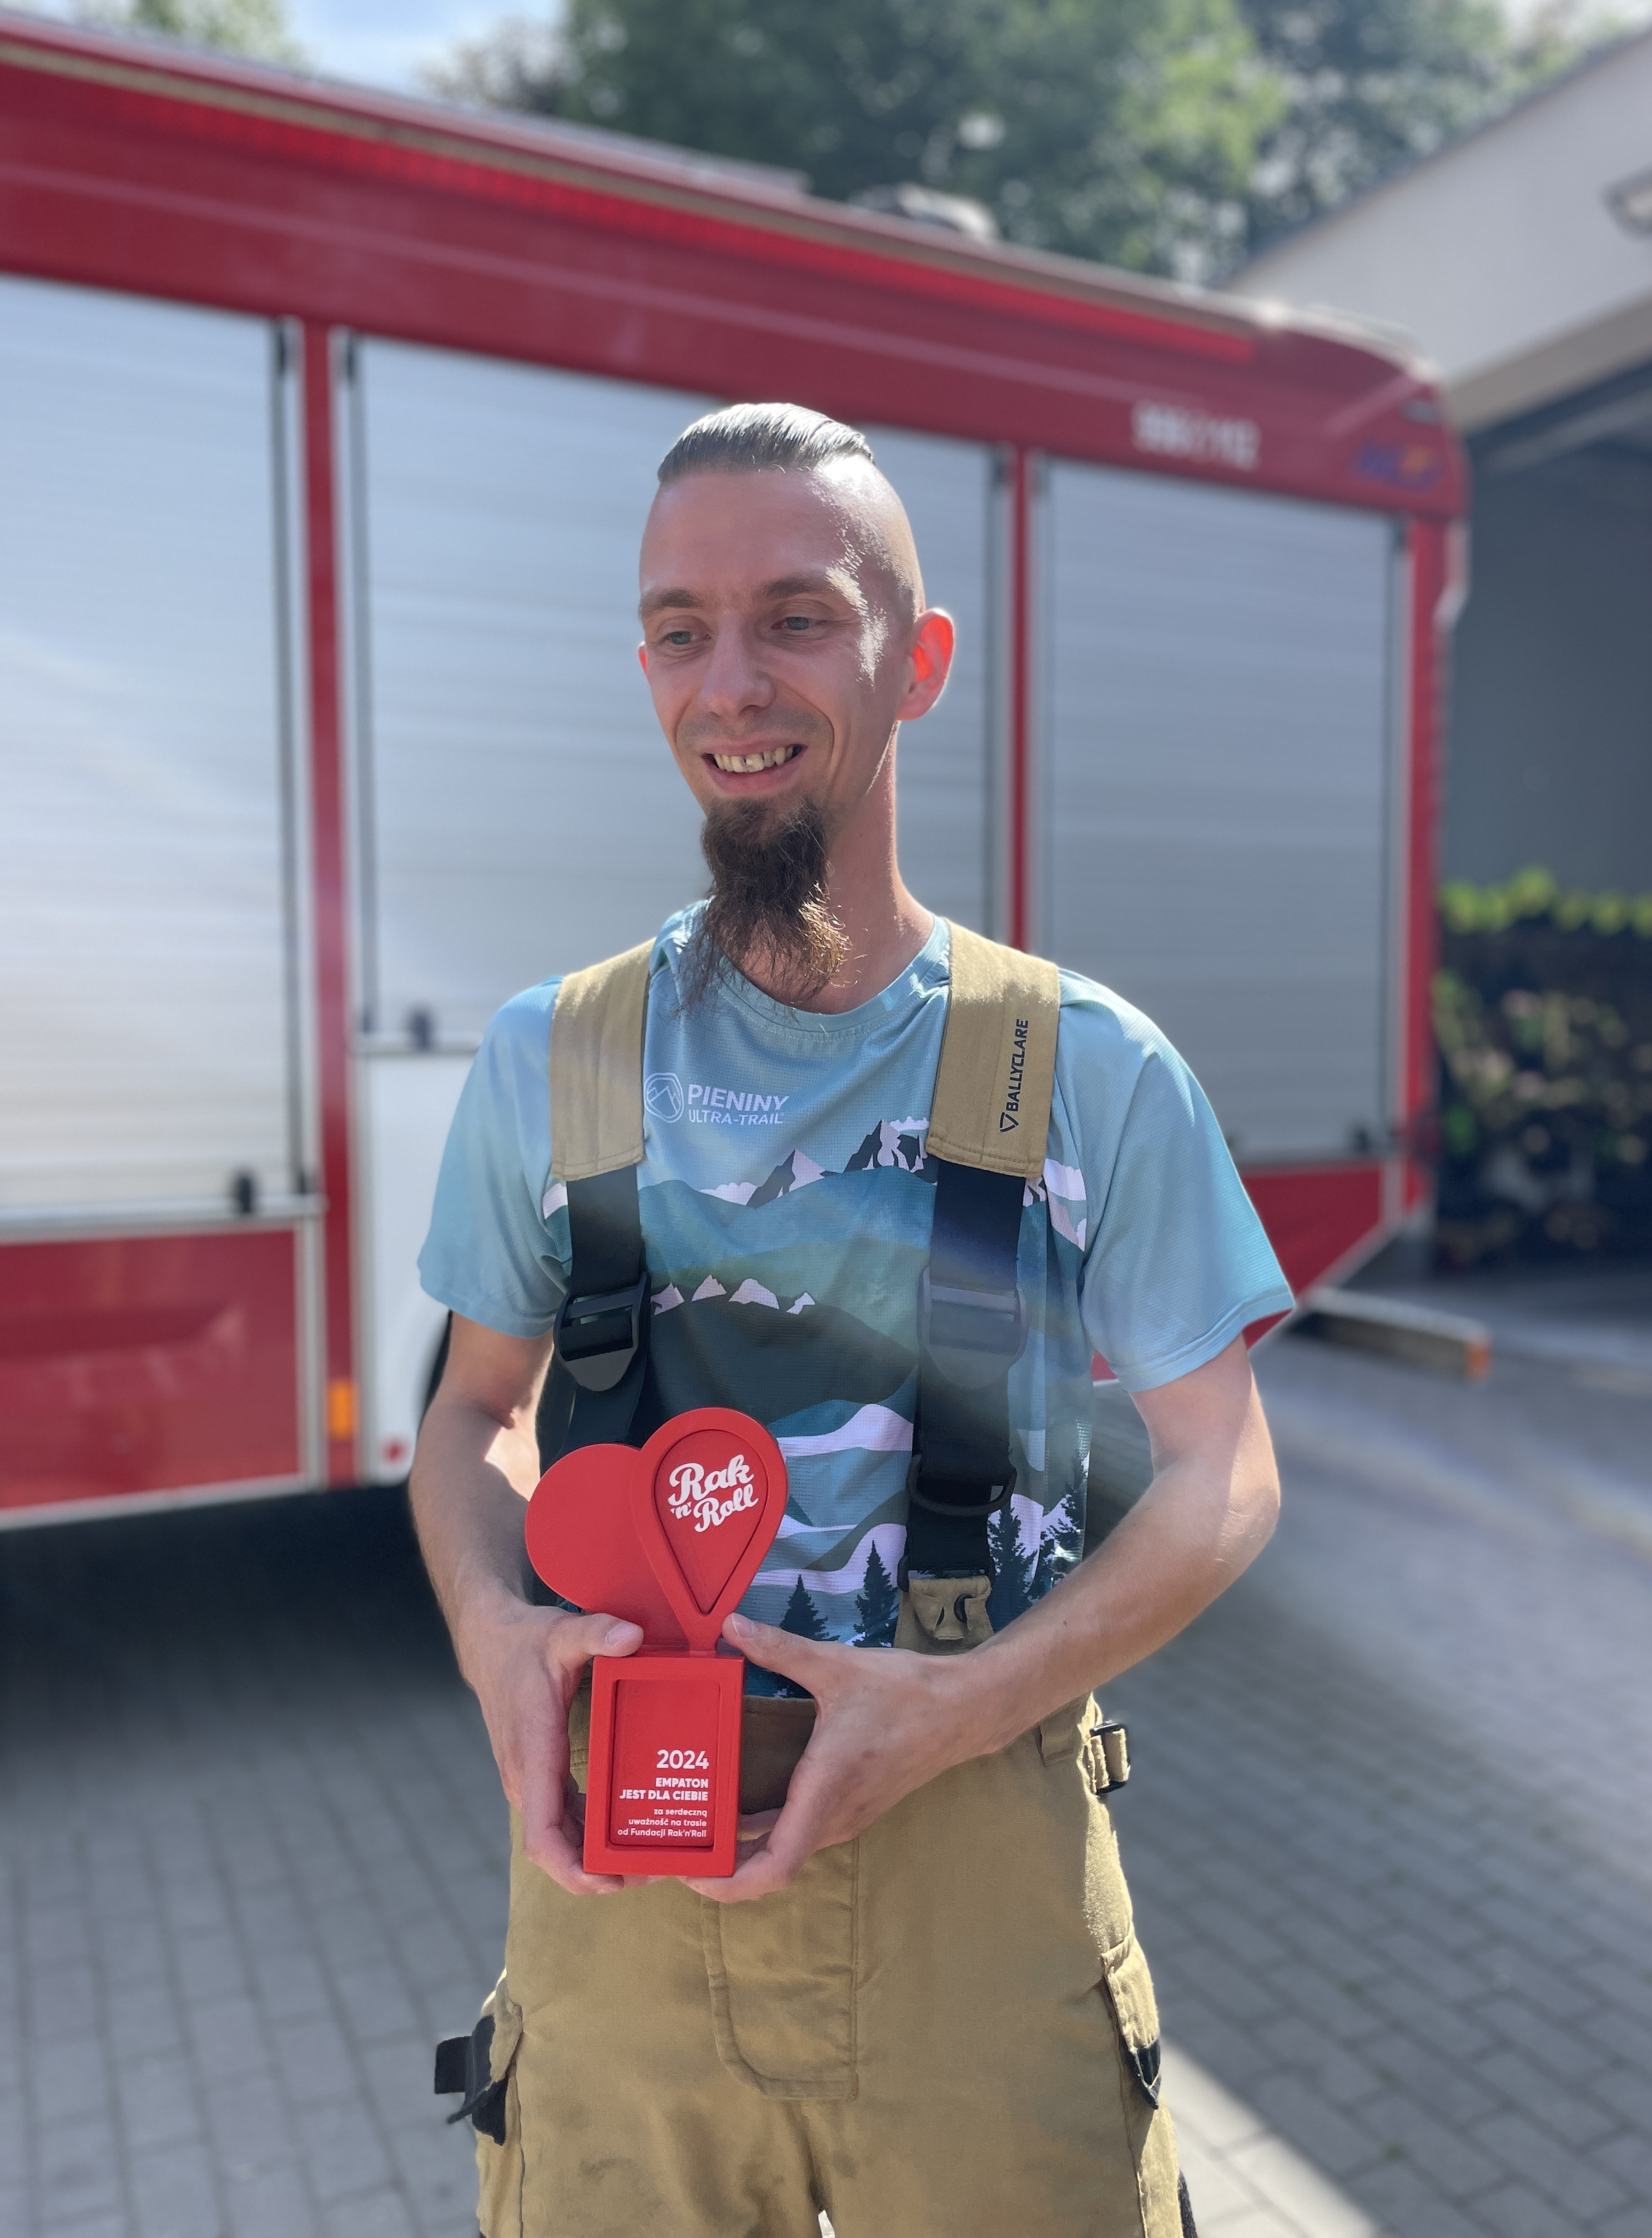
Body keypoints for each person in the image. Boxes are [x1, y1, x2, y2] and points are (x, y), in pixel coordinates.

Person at [411, 402, 1291, 2238]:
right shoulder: (554, 1056)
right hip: (619, 1907)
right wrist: (495, 1633)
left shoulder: (1086, 1065)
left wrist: (966, 1704)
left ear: (919, 661)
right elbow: (476, 1415)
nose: (731, 683)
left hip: (983, 1900)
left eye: (797, 617)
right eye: (681, 630)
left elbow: (1225, 1473)